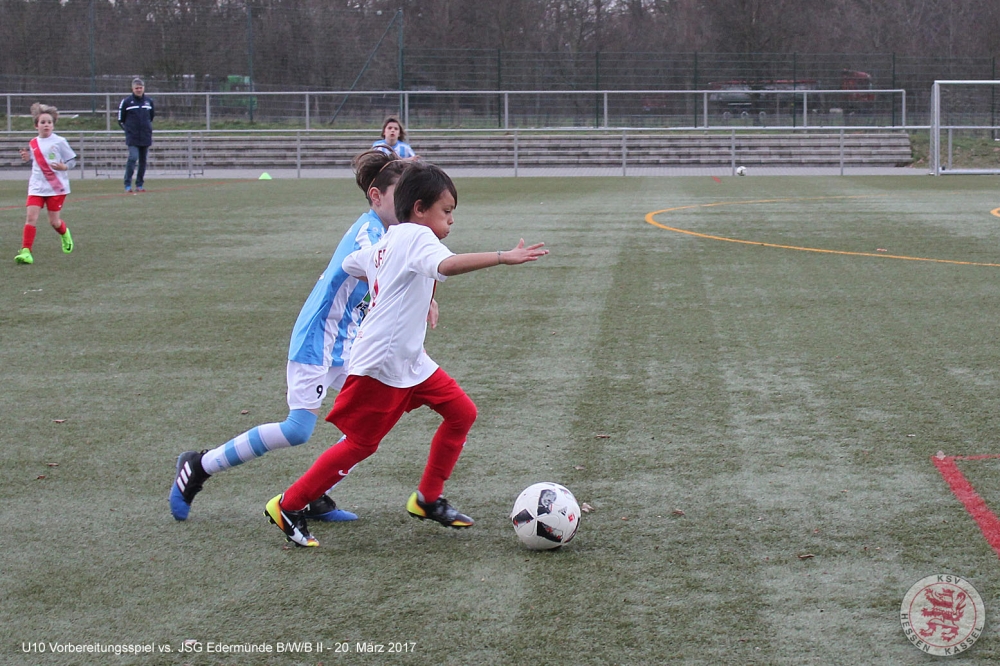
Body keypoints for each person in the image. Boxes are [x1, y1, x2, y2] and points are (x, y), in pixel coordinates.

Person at [264, 161, 548, 547]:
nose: (451, 220)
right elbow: (446, 264)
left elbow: (352, 263)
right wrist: (502, 256)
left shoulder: (390, 238)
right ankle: (288, 504)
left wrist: (401, 285)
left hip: (410, 360)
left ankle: (427, 499)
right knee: (361, 444)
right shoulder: (417, 236)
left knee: (462, 413)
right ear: (419, 209)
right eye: (446, 211)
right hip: (383, 363)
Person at [169, 150, 413, 522]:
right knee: (298, 429)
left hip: (349, 341)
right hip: (318, 336)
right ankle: (199, 465)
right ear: (376, 197)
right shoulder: (369, 232)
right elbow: (380, 267)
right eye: (403, 196)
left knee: (375, 417)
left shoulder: (392, 231)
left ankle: (314, 494)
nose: (411, 204)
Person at [15, 103, 75, 265]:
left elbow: (72, 161)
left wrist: (64, 167)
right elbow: (37, 161)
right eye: (43, 122)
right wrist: (27, 158)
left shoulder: (60, 141)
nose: (46, 125)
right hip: (36, 186)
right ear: (36, 126)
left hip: (56, 187)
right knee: (31, 217)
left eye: (49, 122)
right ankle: (26, 252)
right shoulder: (33, 143)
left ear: (53, 125)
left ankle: (64, 233)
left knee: (54, 222)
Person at [117, 77, 155, 193]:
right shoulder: (127, 102)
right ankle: (127, 184)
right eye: (136, 88)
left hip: (145, 136)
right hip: (132, 137)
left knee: (143, 161)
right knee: (133, 157)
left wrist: (147, 129)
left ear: (144, 88)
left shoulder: (149, 101)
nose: (139, 90)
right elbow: (120, 120)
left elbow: (151, 117)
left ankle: (139, 184)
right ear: (132, 89)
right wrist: (128, 131)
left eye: (140, 88)